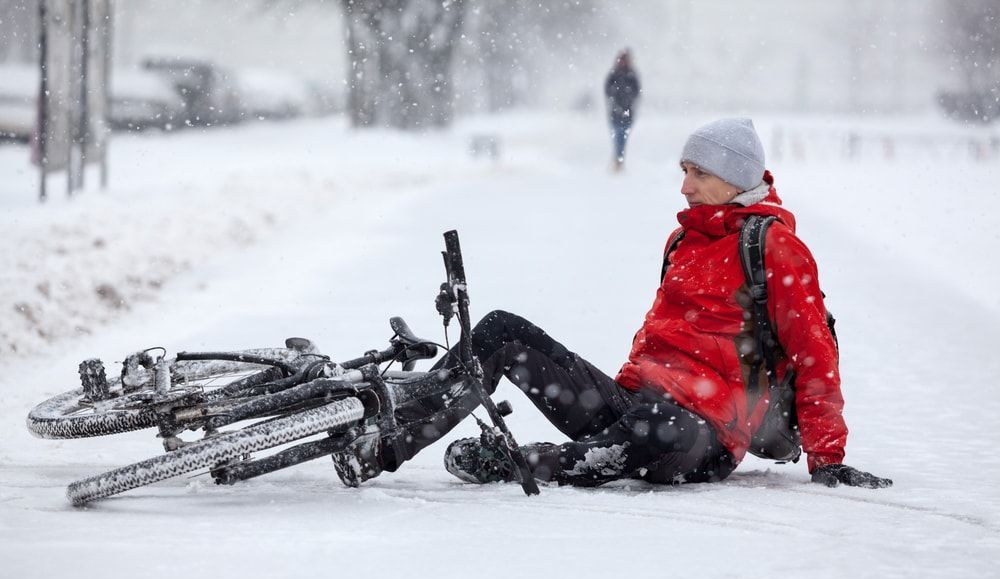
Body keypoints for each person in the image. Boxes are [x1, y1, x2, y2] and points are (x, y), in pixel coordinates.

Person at [331, 118, 892, 491]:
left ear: (734, 178)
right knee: (501, 331)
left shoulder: (774, 247)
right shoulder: (683, 240)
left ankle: (521, 461)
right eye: (684, 172)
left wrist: (829, 459)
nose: (685, 187)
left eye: (699, 173)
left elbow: (814, 354)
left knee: (661, 425)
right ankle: (383, 439)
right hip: (633, 405)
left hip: (702, 437)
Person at [604, 49, 641, 170]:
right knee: (618, 136)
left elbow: (636, 92)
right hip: (615, 113)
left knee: (622, 137)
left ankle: (619, 159)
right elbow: (607, 90)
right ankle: (618, 159)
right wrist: (615, 100)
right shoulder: (614, 74)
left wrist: (628, 100)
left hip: (627, 113)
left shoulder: (632, 75)